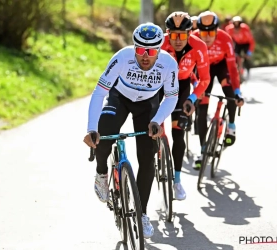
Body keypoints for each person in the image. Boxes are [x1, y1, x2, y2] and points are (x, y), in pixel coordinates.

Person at [83, 22, 179, 239]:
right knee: (104, 134)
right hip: (120, 99)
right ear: (134, 47)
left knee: (147, 158)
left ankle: (142, 213)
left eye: (151, 51)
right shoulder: (122, 57)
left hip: (148, 104)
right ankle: (101, 173)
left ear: (160, 50)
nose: (145, 56)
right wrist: (91, 129)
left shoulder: (168, 64)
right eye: (140, 50)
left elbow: (171, 97)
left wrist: (156, 120)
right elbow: (99, 92)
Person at [160, 11, 210, 199]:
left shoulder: (199, 46)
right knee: (152, 124)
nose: (178, 40)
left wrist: (192, 99)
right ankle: (157, 150)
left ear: (190, 33)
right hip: (159, 84)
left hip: (181, 86)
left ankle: (177, 181)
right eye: (174, 35)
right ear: (168, 33)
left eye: (182, 35)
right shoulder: (160, 43)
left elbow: (204, 80)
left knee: (178, 132)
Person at [192, 11, 245, 169]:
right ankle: (202, 150)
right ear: (198, 30)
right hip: (203, 70)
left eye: (211, 32)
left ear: (217, 30)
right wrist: (195, 88)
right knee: (202, 110)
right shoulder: (193, 38)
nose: (207, 37)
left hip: (221, 67)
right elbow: (188, 66)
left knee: (229, 94)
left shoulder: (225, 39)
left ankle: (231, 127)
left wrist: (237, 91)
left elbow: (233, 68)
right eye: (203, 32)